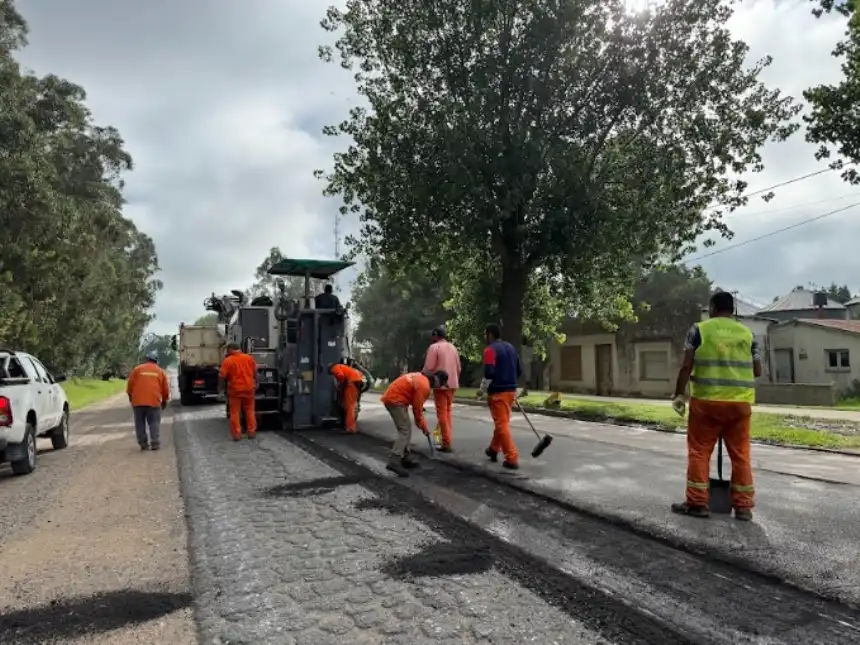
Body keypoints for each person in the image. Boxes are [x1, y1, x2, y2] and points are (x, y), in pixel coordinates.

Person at [671, 290, 761, 521]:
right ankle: (743, 507)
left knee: (699, 452)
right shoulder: (749, 334)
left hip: (707, 403)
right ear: (733, 310)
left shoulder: (698, 330)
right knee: (741, 455)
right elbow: (758, 370)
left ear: (711, 308)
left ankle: (697, 503)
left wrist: (679, 394)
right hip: (740, 404)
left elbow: (686, 366)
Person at [380, 369, 448, 477]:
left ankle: (404, 458)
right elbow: (417, 411)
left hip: (395, 398)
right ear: (437, 379)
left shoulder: (422, 378)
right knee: (404, 431)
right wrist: (424, 427)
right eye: (441, 384)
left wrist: (420, 418)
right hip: (395, 400)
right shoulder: (424, 386)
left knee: (407, 429)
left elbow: (416, 403)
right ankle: (394, 460)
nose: (439, 387)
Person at [480, 323, 522, 470]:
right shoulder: (511, 348)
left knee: (501, 425)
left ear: (490, 334)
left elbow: (489, 373)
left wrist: (482, 390)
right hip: (511, 391)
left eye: (485, 334)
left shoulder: (490, 350)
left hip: (498, 392)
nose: (484, 337)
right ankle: (493, 449)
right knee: (502, 422)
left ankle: (511, 458)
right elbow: (519, 370)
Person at [423, 325, 461, 452]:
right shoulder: (453, 347)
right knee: (448, 412)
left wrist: (422, 377)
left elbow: (429, 367)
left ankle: (446, 442)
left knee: (442, 414)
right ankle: (447, 439)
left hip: (440, 385)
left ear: (435, 335)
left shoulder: (434, 347)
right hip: (453, 384)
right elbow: (459, 367)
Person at [126, 350, 170, 451]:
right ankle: (155, 443)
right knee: (154, 422)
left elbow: (130, 386)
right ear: (156, 361)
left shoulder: (137, 369)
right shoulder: (160, 371)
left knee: (140, 423)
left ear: (146, 359)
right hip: (154, 401)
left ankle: (143, 443)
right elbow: (165, 389)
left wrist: (131, 398)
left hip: (138, 402)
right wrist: (164, 401)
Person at [219, 342, 258, 441]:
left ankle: (237, 434)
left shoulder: (228, 361)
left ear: (230, 349)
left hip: (235, 391)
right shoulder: (249, 358)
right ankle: (251, 432)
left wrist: (221, 389)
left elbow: (222, 376)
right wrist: (256, 383)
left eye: (227, 350)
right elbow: (255, 372)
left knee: (235, 413)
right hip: (249, 389)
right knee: (250, 411)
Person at [329, 361, 365, 434]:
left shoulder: (335, 368)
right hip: (356, 382)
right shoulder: (343, 367)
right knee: (350, 405)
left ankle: (350, 428)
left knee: (350, 406)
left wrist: (340, 385)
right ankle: (350, 426)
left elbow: (341, 376)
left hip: (352, 383)